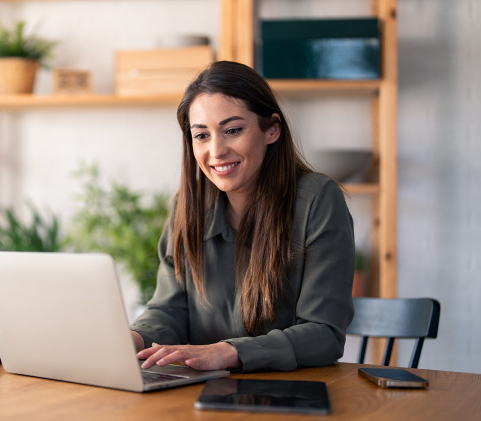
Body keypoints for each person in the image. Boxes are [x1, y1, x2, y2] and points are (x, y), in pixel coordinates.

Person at [130, 61, 355, 373]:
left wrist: (229, 352)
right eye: (201, 135)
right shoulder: (187, 206)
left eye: (232, 130)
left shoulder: (318, 200)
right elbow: (169, 310)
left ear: (272, 129)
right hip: (199, 393)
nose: (217, 150)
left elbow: (324, 333)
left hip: (289, 398)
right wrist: (134, 339)